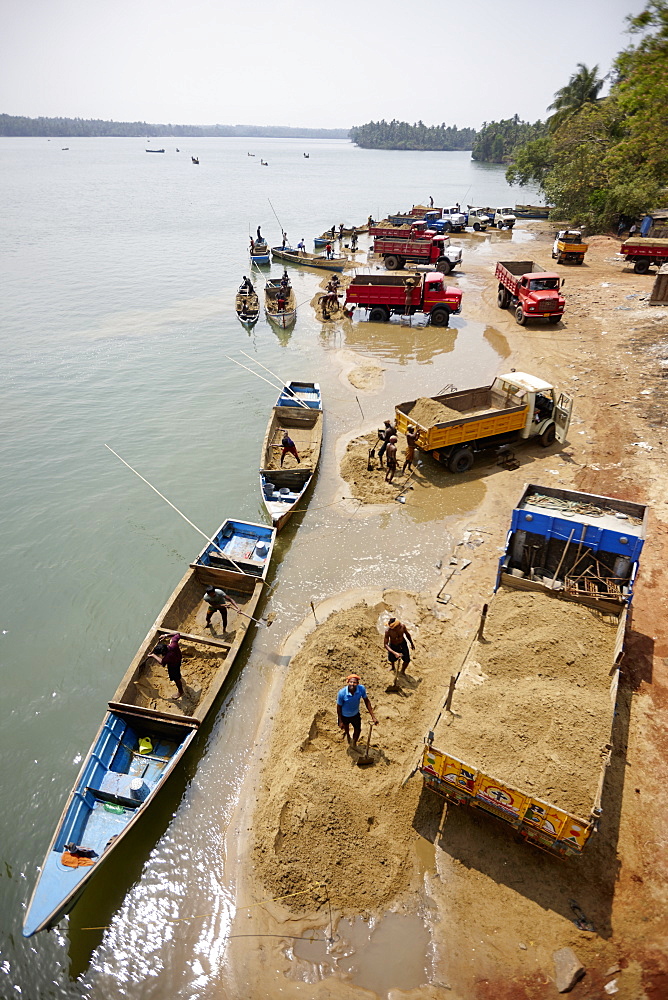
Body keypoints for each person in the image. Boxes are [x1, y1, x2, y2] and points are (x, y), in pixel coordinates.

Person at [336, 674, 378, 747]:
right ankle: (348, 735)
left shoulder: (361, 689)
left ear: (357, 683)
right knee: (346, 726)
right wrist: (340, 720)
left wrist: (373, 716)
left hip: (355, 714)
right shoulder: (342, 693)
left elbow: (366, 701)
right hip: (345, 715)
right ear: (347, 682)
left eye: (355, 682)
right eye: (351, 682)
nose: (352, 684)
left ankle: (354, 743)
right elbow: (339, 707)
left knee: (358, 729)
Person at [149, 632, 185, 698]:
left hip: (173, 667)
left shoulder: (167, 657)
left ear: (163, 652)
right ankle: (179, 681)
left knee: (176, 679)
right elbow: (177, 634)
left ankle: (180, 691)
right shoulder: (173, 643)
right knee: (177, 671)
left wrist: (153, 655)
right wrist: (166, 635)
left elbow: (162, 662)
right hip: (178, 659)